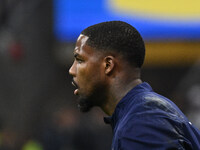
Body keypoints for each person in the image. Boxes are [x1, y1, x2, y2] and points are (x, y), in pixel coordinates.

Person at [69, 21, 200, 149]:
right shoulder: (143, 113)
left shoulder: (141, 124)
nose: (72, 70)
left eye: (80, 60)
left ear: (108, 65)